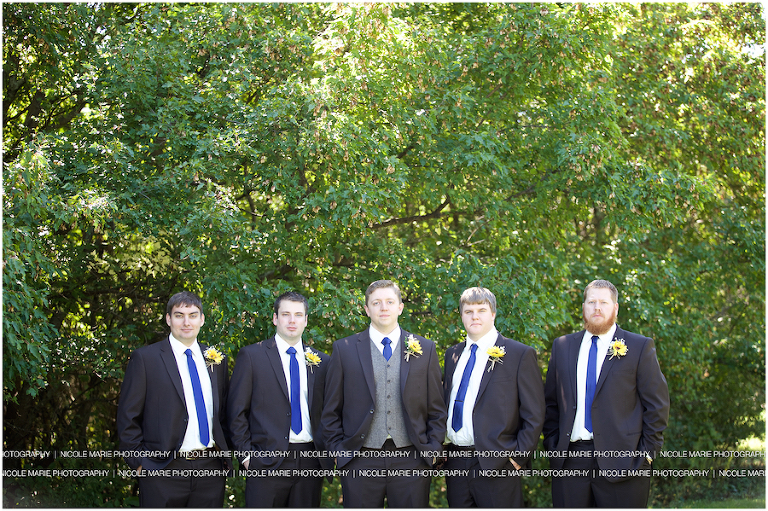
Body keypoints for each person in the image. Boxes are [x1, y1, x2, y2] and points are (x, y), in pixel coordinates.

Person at [543, 279, 670, 508]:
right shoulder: (562, 346)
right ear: (583, 307)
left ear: (616, 308)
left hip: (625, 462)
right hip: (571, 463)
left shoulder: (639, 347)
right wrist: (553, 447)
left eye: (604, 302)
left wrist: (646, 455)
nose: (597, 308)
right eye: (591, 302)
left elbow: (657, 405)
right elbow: (550, 403)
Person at [321, 279, 447, 508]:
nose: (383, 307)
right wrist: (337, 451)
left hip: (412, 458)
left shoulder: (425, 349)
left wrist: (433, 448)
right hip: (359, 459)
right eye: (376, 302)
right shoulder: (344, 349)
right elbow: (331, 409)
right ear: (367, 309)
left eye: (390, 301)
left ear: (400, 307)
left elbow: (437, 408)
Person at [117, 291, 231, 507]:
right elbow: (127, 417)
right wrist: (140, 463)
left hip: (210, 470)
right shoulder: (146, 359)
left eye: (193, 315)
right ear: (168, 319)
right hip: (162, 470)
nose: (186, 322)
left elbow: (225, 412)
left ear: (202, 319)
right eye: (179, 315)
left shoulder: (216, 360)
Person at [442, 287, 545, 507]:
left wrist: (517, 458)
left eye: (481, 310)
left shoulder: (518, 354)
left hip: (498, 464)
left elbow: (534, 413)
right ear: (461, 315)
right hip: (456, 463)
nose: (475, 316)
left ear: (493, 314)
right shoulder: (453, 355)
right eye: (468, 311)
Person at [227, 291, 331, 507]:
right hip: (265, 460)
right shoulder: (252, 356)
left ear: (305, 320)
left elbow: (331, 412)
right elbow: (236, 412)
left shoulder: (322, 362)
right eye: (286, 314)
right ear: (275, 318)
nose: (292, 320)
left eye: (298, 315)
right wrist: (246, 457)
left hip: (310, 461)